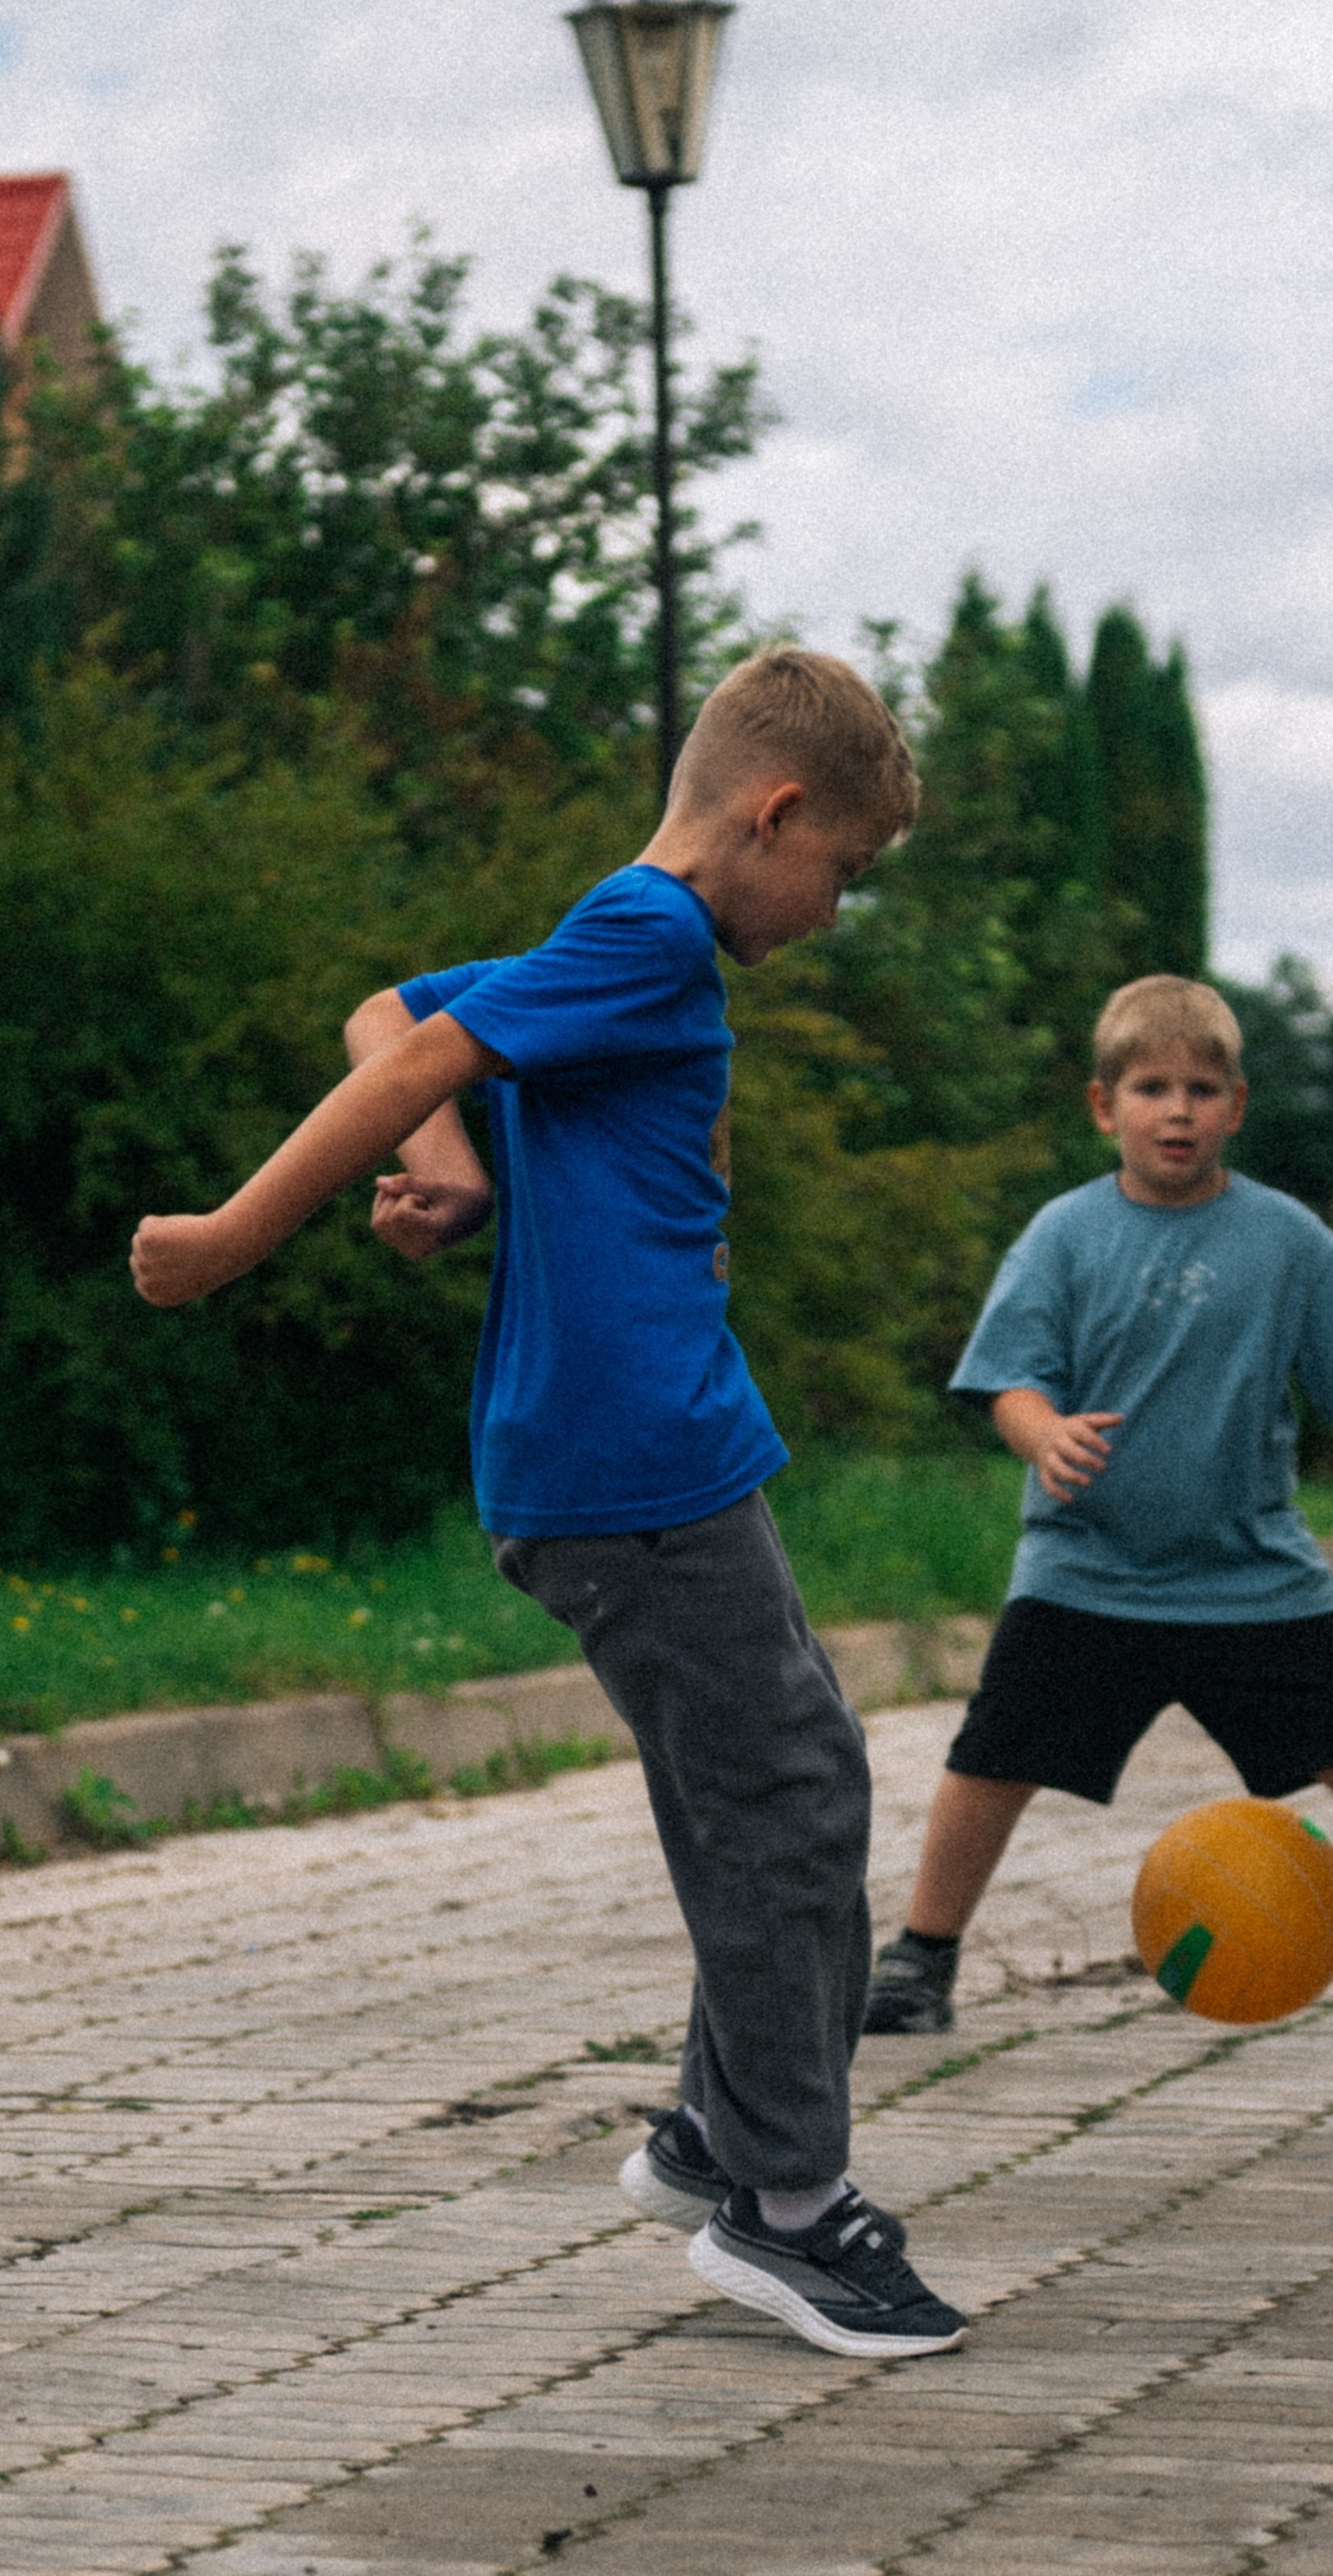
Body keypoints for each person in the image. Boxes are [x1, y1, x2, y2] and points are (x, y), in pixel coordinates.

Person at [130, 647, 967, 2362]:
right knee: (786, 1801)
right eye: (843, 874)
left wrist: (450, 1157)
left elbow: (396, 1017)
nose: (835, 910)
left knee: (774, 1781)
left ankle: (716, 2136)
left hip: (654, 1453)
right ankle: (787, 2209)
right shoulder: (650, 933)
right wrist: (231, 1237)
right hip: (626, 1458)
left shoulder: (618, 934)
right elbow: (402, 1056)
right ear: (776, 809)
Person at [863, 973, 1333, 2048]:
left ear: (1237, 1108)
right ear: (1103, 1106)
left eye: (1203, 1088)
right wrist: (1040, 1432)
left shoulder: (1283, 1240)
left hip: (1252, 1579)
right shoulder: (1062, 1236)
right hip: (1086, 1574)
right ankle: (920, 1958)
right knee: (990, 1759)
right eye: (1151, 1087)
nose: (1179, 1109)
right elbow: (1009, 1375)